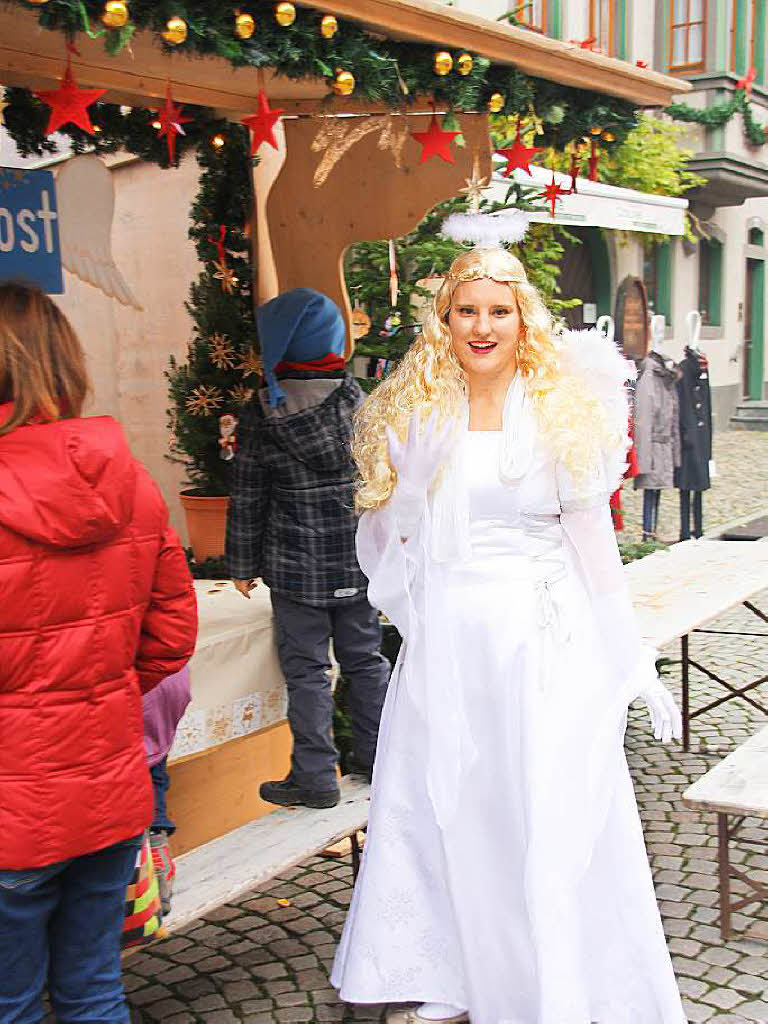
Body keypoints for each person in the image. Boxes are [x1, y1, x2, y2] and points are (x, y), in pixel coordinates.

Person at [331, 249, 686, 1024]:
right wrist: (414, 493)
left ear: (522, 317)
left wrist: (631, 659)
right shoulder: (414, 414)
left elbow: (594, 550)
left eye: (499, 310)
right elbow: (386, 563)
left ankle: (556, 981)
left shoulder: (562, 410)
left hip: (537, 646)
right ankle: (456, 971)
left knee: (535, 810)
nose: (483, 326)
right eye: (467, 311)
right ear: (445, 321)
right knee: (451, 809)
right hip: (448, 646)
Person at [0, 281, 197, 1023]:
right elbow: (171, 635)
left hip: (15, 806)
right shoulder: (132, 481)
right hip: (109, 794)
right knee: (92, 992)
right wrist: (98, 678)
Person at [227, 287, 390, 809]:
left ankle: (315, 777)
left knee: (306, 672)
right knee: (366, 662)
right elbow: (386, 485)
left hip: (295, 574)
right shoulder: (358, 402)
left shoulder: (264, 412)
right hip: (358, 565)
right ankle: (379, 759)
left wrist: (241, 564)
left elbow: (249, 493)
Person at [142, 666, 192, 915]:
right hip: (170, 681)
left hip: (136, 689)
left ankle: (146, 875)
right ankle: (158, 857)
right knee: (154, 769)